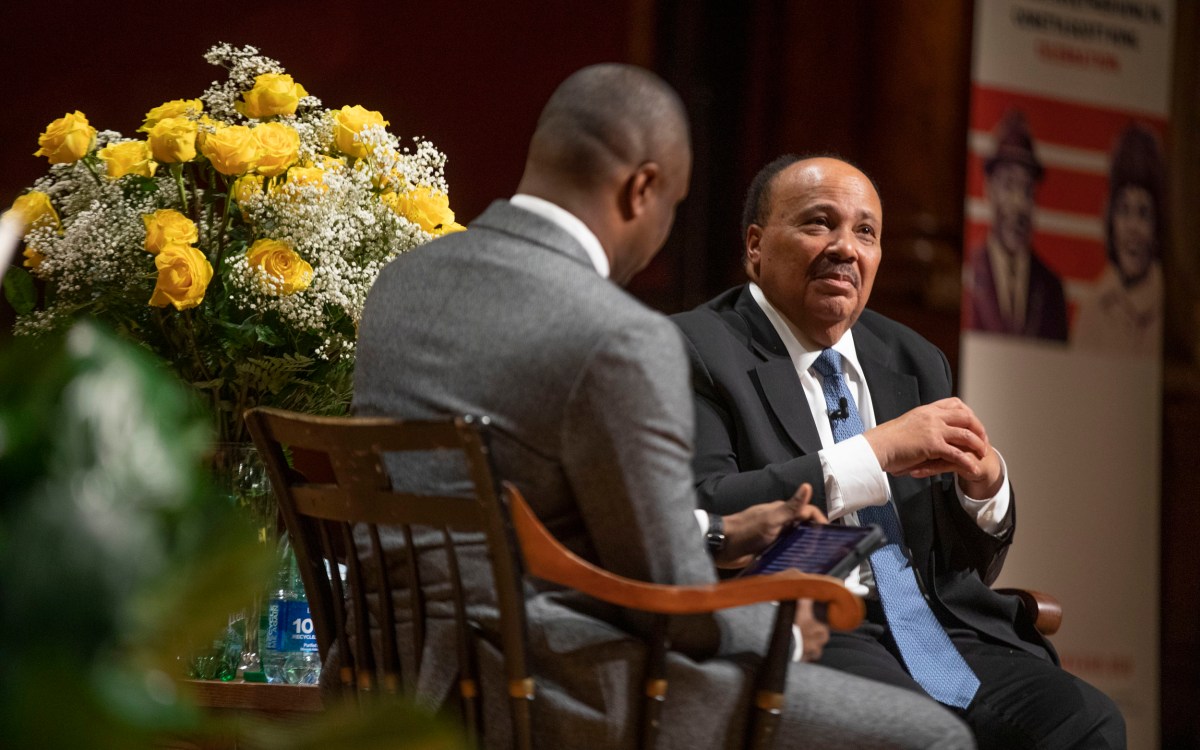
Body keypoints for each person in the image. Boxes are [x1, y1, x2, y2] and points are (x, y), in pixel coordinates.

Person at [350, 66, 975, 748]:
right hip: (556, 684)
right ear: (641, 188)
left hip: (392, 664)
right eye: (671, 207)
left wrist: (720, 531)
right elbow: (679, 604)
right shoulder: (620, 335)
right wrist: (779, 628)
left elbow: (550, 513)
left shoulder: (401, 283)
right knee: (932, 739)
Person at [671, 153, 1126, 749]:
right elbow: (707, 509)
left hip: (939, 628)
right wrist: (874, 451)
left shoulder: (912, 358)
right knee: (926, 737)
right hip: (811, 625)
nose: (845, 248)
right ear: (755, 245)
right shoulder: (697, 348)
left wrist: (982, 492)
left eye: (865, 232)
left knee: (1088, 720)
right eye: (818, 223)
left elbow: (959, 570)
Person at [964, 108, 1068, 341]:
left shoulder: (1051, 289)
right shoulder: (968, 272)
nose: (1019, 203)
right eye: (1009, 185)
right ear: (989, 189)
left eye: (1027, 190)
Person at [1073, 122, 1165, 357]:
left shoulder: (1175, 311)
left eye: (1143, 212)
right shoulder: (1091, 310)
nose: (1132, 228)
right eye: (1124, 210)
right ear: (1110, 220)